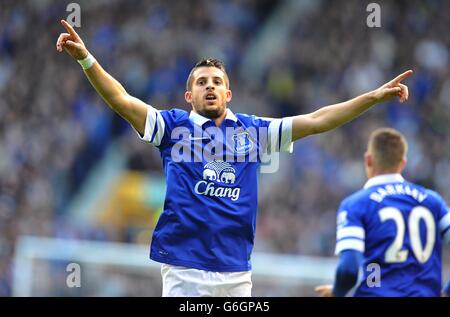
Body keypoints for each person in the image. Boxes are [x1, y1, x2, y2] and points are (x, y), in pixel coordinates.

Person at [56, 19, 412, 297]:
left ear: (228, 92)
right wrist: (86, 58)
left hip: (237, 272)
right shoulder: (172, 126)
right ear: (188, 95)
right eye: (201, 82)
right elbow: (121, 100)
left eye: (215, 81)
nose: (209, 86)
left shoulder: (254, 131)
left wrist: (373, 97)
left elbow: (318, 120)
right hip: (185, 268)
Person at [315, 128, 450, 297]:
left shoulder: (356, 204)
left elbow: (349, 269)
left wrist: (337, 292)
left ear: (368, 159)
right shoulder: (433, 201)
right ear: (403, 163)